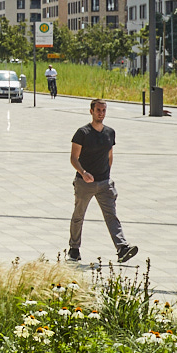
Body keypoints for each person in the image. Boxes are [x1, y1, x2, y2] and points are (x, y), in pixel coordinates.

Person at [68, 99, 138, 264]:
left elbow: (109, 155)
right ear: (91, 111)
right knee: (78, 216)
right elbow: (73, 158)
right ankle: (74, 249)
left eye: (104, 110)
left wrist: (107, 174)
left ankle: (122, 248)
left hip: (105, 183)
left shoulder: (110, 133)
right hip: (84, 183)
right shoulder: (82, 133)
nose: (101, 113)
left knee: (111, 216)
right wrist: (83, 172)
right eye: (98, 110)